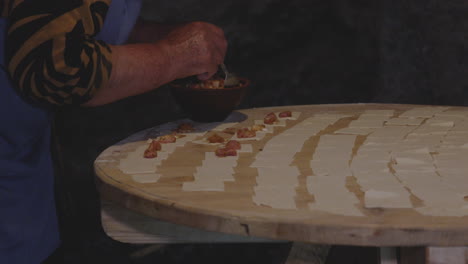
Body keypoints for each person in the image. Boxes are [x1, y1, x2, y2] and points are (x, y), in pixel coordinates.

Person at [0, 0, 227, 263]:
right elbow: (55, 67)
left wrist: (153, 37)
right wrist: (170, 56)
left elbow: (75, 19)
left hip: (20, 165)